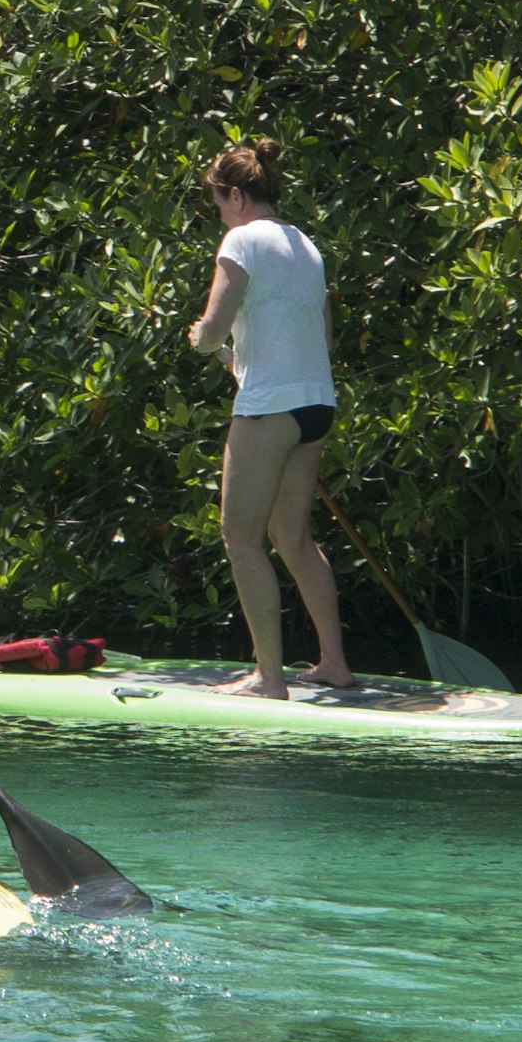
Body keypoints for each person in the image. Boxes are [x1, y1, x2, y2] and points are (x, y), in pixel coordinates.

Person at [184, 134, 349, 700]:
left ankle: (269, 679)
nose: (219, 216)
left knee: (242, 539)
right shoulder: (305, 244)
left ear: (235, 196)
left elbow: (213, 323)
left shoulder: (241, 241)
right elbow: (320, 333)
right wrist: (245, 358)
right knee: (292, 537)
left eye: (217, 204)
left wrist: (204, 340)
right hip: (315, 405)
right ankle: (334, 664)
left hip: (271, 409)